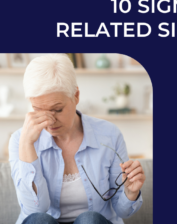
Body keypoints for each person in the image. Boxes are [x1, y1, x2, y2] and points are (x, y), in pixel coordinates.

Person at [9, 54, 145, 224]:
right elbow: (34, 210)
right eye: (38, 109)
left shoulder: (109, 135)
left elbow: (123, 211)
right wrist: (27, 145)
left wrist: (130, 192)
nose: (49, 121)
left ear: (76, 96)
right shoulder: (19, 141)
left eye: (57, 109)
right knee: (38, 220)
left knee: (90, 220)